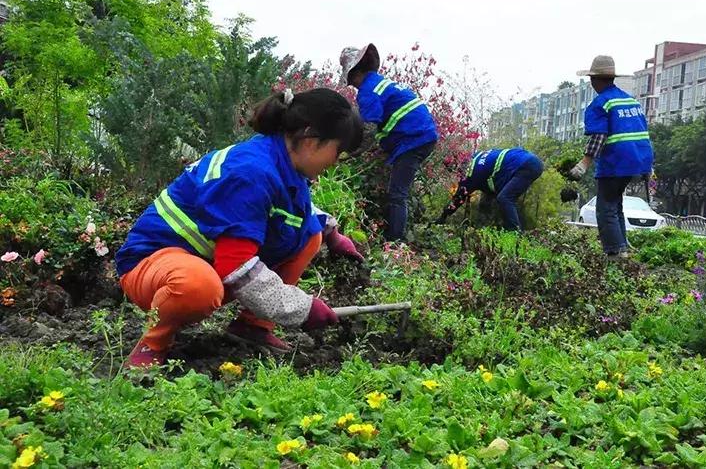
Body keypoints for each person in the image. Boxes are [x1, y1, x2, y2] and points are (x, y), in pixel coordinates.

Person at [115, 88, 364, 367]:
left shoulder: (282, 162)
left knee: (310, 235)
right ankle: (152, 344)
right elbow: (236, 266)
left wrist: (332, 233)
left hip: (201, 261)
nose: (335, 162)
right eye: (338, 151)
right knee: (198, 287)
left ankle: (253, 326)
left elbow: (296, 210)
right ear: (310, 139)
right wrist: (301, 309)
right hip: (152, 264)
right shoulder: (250, 173)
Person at [340, 43, 438, 242]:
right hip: (419, 136)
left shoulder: (368, 91)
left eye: (351, 81)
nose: (353, 86)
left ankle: (394, 242)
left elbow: (368, 130)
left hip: (413, 139)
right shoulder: (379, 83)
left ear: (356, 74)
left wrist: (347, 154)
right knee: (397, 188)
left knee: (397, 193)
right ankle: (394, 235)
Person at [568, 55, 653, 258]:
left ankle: (615, 253)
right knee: (616, 205)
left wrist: (583, 164)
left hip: (617, 161)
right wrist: (648, 167)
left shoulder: (601, 103)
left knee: (605, 208)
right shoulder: (631, 101)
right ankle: (622, 248)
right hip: (638, 160)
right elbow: (643, 133)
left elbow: (599, 136)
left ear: (594, 80)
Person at [436, 148, 544, 231]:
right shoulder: (477, 155)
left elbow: (458, 200)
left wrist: (443, 216)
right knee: (493, 196)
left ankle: (514, 234)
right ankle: (494, 227)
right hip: (529, 160)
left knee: (505, 198)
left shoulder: (470, 176)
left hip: (525, 166)